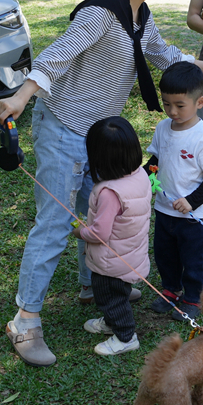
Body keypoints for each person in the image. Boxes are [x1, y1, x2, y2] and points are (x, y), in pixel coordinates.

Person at [0, 0, 203, 367]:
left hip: (98, 137)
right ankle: (25, 320)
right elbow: (58, 55)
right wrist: (21, 96)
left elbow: (163, 53)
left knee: (100, 208)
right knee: (54, 224)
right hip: (65, 128)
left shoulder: (137, 14)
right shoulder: (103, 12)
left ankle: (96, 285)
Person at [146, 62, 203, 322]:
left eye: (180, 105)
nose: (172, 111)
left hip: (193, 217)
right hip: (164, 210)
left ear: (199, 102)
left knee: (193, 259)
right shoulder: (162, 128)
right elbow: (154, 160)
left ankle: (193, 297)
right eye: (167, 104)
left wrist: (191, 201)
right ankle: (171, 289)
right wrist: (147, 177)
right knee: (165, 255)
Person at [75, 117, 151, 356]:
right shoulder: (139, 174)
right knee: (118, 293)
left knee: (110, 298)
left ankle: (126, 336)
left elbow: (99, 233)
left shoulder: (110, 193)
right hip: (131, 254)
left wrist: (79, 231)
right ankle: (110, 323)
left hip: (111, 262)